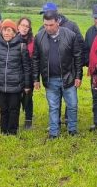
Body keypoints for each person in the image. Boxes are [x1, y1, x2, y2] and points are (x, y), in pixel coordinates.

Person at [32, 10, 83, 138]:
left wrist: (78, 76)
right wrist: (36, 79)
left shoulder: (70, 35)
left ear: (58, 23)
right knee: (53, 107)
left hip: (68, 77)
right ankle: (54, 132)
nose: (48, 28)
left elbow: (77, 57)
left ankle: (72, 129)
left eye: (51, 25)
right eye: (45, 25)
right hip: (50, 79)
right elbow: (36, 59)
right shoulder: (39, 37)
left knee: (72, 105)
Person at [0, 19, 32, 135]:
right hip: (0, 84)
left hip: (15, 85)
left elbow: (26, 67)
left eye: (9, 30)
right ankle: (3, 131)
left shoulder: (21, 47)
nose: (6, 33)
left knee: (14, 109)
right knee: (3, 109)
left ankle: (12, 131)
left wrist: (26, 85)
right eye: (4, 30)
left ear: (14, 32)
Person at [17, 16, 35, 129]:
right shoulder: (13, 39)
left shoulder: (33, 41)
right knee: (16, 97)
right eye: (23, 25)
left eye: (27, 26)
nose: (24, 28)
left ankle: (28, 121)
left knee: (27, 97)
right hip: (16, 73)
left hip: (29, 73)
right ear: (18, 26)